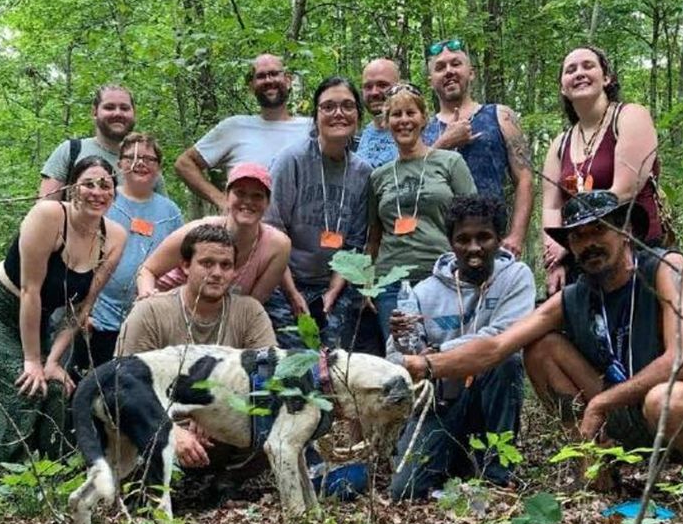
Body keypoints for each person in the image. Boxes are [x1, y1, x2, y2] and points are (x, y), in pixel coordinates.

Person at [400, 191, 683, 470]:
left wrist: (600, 402)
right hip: (629, 413)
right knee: (540, 349)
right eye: (578, 237)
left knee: (664, 401)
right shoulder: (574, 297)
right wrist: (428, 365)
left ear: (626, 230)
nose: (589, 243)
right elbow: (496, 347)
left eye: (599, 230)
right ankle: (596, 465)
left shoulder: (665, 268)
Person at [0, 156, 125, 484]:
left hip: (38, 320)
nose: (97, 192)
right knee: (24, 387)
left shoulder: (115, 237)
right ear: (72, 187)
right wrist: (33, 360)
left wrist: (54, 360)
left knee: (57, 388)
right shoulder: (48, 215)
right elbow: (31, 292)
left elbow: (80, 310)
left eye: (106, 185)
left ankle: (53, 482)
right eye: (88, 183)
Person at [387, 195, 535, 500]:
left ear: (498, 239)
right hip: (442, 403)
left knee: (506, 360)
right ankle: (456, 462)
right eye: (463, 239)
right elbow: (398, 359)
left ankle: (497, 473)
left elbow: (502, 336)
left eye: (484, 237)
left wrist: (438, 352)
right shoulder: (423, 292)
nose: (474, 248)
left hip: (489, 396)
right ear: (451, 242)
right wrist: (402, 342)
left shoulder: (516, 277)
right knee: (405, 490)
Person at [117, 224, 278, 469]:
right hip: (161, 427)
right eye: (206, 263)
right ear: (185, 265)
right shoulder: (150, 312)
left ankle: (225, 486)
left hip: (227, 427)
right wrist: (173, 431)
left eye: (226, 265)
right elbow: (124, 386)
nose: (217, 273)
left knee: (277, 424)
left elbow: (269, 379)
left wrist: (212, 411)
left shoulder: (249, 312)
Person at [540, 45, 663, 295]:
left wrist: (571, 240)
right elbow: (552, 207)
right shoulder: (559, 144)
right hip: (583, 258)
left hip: (636, 251)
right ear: (563, 87)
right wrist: (556, 259)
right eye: (570, 70)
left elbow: (626, 189)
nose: (579, 73)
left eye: (588, 66)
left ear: (606, 78)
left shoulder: (630, 116)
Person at [265, 77, 372, 349]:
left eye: (348, 106)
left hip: (334, 282)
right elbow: (272, 231)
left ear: (358, 116)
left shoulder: (363, 172)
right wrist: (292, 294)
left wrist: (333, 292)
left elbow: (355, 243)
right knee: (295, 360)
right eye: (328, 106)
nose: (338, 113)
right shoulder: (291, 160)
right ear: (316, 117)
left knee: (333, 362)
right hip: (285, 279)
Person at [367, 83, 476, 340]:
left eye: (410, 113)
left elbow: (473, 220)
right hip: (392, 282)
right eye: (396, 114)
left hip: (442, 275)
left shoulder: (450, 162)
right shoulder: (378, 177)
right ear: (386, 121)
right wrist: (368, 283)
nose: (403, 121)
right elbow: (374, 236)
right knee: (403, 358)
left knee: (447, 353)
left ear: (424, 118)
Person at [73, 133, 183, 372]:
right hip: (98, 322)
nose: (140, 163)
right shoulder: (102, 200)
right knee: (93, 390)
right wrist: (83, 309)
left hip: (150, 323)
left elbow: (181, 263)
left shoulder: (171, 211)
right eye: (131, 157)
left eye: (148, 158)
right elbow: (78, 255)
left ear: (159, 167)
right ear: (119, 164)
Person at [421, 39, 534, 256]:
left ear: (471, 73)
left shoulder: (500, 115)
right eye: (440, 67)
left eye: (456, 64)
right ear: (430, 81)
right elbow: (415, 180)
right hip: (437, 246)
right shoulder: (422, 128)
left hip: (491, 239)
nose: (449, 71)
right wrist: (445, 143)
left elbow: (525, 178)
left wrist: (516, 237)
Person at [136, 163, 290, 304]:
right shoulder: (197, 231)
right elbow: (147, 270)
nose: (248, 201)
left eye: (257, 196)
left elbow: (251, 307)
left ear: (268, 202)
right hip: (166, 306)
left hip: (214, 318)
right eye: (240, 193)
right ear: (227, 197)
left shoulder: (277, 246)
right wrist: (148, 299)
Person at [175, 54, 312, 209]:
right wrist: (221, 200)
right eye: (260, 76)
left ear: (288, 80)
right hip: (246, 229)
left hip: (301, 229)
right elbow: (184, 164)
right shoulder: (234, 127)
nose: (268, 80)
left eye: (274, 73)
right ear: (251, 86)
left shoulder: (311, 129)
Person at [39, 85, 161, 199]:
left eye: (124, 108)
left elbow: (163, 215)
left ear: (134, 113)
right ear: (94, 112)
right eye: (109, 107)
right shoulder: (71, 151)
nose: (118, 113)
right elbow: (43, 212)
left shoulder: (147, 164)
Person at [355, 58, 402, 168]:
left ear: (399, 87)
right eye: (368, 87)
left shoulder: (418, 130)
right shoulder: (358, 138)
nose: (374, 92)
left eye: (382, 85)